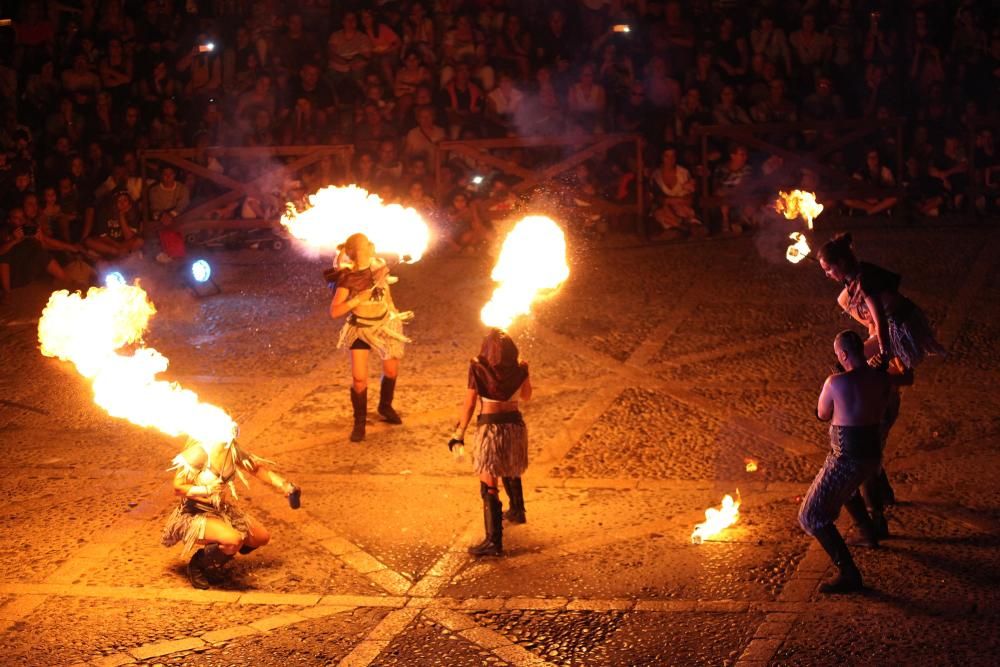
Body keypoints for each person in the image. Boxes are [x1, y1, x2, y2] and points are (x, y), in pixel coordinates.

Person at [817, 232, 945, 506]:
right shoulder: (851, 287)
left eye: (829, 269)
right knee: (843, 301)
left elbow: (881, 322)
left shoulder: (865, 283)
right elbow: (873, 324)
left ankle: (876, 503)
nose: (827, 274)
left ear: (841, 263)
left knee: (875, 430)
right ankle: (880, 491)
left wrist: (883, 353)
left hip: (896, 332)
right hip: (880, 343)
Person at [799, 330, 910, 593]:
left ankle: (849, 573)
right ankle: (868, 530)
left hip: (846, 456)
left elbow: (823, 414)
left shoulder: (836, 382)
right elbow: (891, 394)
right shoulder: (883, 379)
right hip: (872, 458)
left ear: (843, 355)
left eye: (838, 355)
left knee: (810, 516)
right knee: (848, 491)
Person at [161, 432, 301, 589]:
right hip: (195, 512)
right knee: (234, 540)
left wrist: (284, 486)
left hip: (221, 509)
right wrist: (206, 489)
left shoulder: (231, 449)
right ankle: (198, 565)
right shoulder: (198, 453)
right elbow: (178, 488)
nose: (233, 429)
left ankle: (221, 551)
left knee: (261, 537)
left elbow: (256, 469)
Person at [448, 329, 532, 557]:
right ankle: (517, 510)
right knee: (510, 464)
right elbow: (526, 396)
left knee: (489, 481)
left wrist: (459, 433)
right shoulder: (521, 367)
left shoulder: (477, 366)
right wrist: (522, 371)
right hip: (514, 426)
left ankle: (493, 542)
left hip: (490, 427)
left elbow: (469, 404)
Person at [328, 233, 413, 442]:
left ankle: (385, 406)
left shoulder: (380, 266)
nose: (372, 244)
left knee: (391, 370)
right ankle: (360, 422)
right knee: (359, 378)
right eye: (367, 243)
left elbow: (386, 291)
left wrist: (393, 311)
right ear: (358, 251)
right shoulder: (348, 278)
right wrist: (356, 300)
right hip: (361, 328)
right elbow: (334, 311)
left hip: (385, 324)